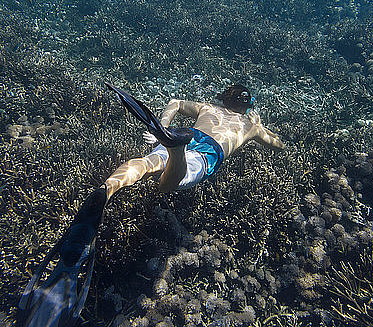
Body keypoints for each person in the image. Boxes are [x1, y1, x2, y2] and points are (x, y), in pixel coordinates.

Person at [18, 83, 285, 327]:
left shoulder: (208, 108)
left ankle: (107, 189)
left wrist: (159, 127)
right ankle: (175, 149)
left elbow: (176, 101)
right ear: (247, 106)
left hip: (190, 132)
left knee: (147, 163)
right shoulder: (251, 126)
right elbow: (279, 146)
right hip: (210, 150)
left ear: (224, 100)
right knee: (167, 185)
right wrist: (257, 124)